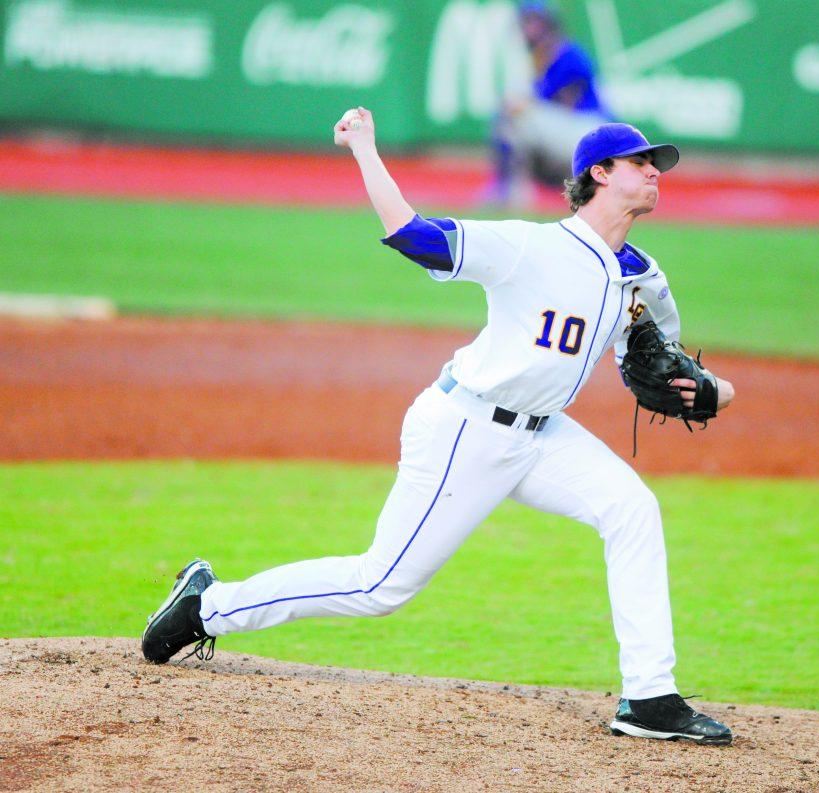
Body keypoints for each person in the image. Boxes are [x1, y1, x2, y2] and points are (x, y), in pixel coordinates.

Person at [141, 106, 737, 745]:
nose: (655, 173)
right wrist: (365, 148)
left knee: (632, 510)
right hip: (467, 427)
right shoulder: (529, 247)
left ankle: (648, 698)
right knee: (381, 584)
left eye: (657, 165)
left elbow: (660, 368)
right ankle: (207, 604)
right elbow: (413, 235)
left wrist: (716, 393)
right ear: (599, 172)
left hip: (543, 436)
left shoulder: (644, 277)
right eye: (642, 162)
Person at [486, 1, 611, 205]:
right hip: (567, 133)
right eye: (526, 22)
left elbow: (568, 105)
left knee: (515, 117)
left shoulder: (568, 55)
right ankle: (510, 190)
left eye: (535, 21)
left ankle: (511, 193)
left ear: (550, 23)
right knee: (511, 117)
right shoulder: (536, 57)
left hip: (586, 131)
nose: (530, 28)